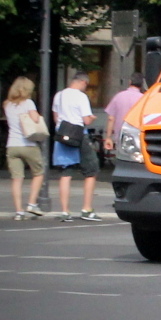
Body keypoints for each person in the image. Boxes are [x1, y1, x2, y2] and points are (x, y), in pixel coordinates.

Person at [52, 71, 102, 222]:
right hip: (80, 135)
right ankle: (86, 209)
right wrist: (92, 118)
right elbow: (86, 121)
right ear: (83, 83)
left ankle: (65, 212)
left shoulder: (59, 95)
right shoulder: (81, 97)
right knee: (91, 170)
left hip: (62, 136)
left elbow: (56, 118)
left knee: (66, 173)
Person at [2, 76, 46, 220]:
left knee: (17, 179)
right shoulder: (28, 103)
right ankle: (32, 203)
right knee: (38, 173)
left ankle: (19, 212)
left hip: (12, 145)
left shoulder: (7, 104)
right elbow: (34, 119)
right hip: (28, 144)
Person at [103, 73, 144, 153]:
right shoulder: (144, 99)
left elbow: (111, 118)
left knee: (121, 160)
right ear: (141, 85)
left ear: (129, 82)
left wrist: (108, 137)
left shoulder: (118, 96)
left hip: (120, 138)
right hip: (138, 137)